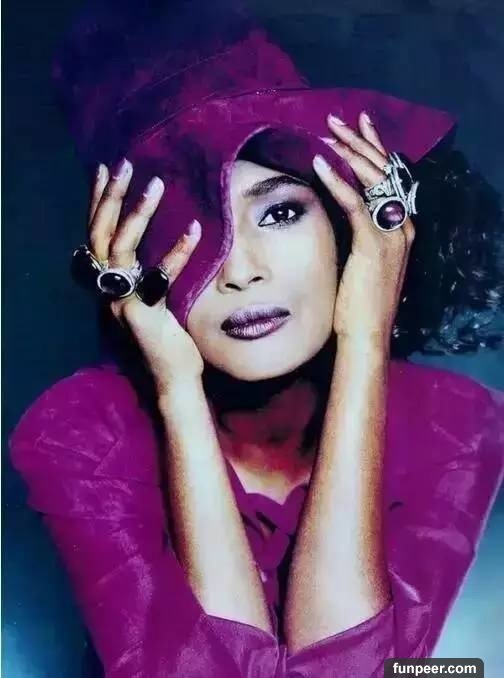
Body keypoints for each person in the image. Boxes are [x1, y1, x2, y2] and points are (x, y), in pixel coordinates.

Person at [8, 1, 504, 676]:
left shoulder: (457, 427)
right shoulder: (80, 438)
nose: (240, 270)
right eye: (184, 229)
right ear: (126, 259)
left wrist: (365, 339)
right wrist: (178, 393)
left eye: (280, 212)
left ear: (345, 223)